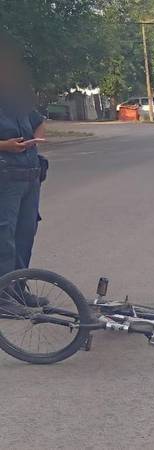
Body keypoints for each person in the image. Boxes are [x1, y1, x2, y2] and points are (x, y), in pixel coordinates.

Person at [0, 34, 48, 308]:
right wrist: (5, 145)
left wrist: (36, 139)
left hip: (30, 176)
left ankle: (17, 289)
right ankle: (3, 296)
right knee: (3, 239)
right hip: (4, 179)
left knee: (24, 235)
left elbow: (37, 120)